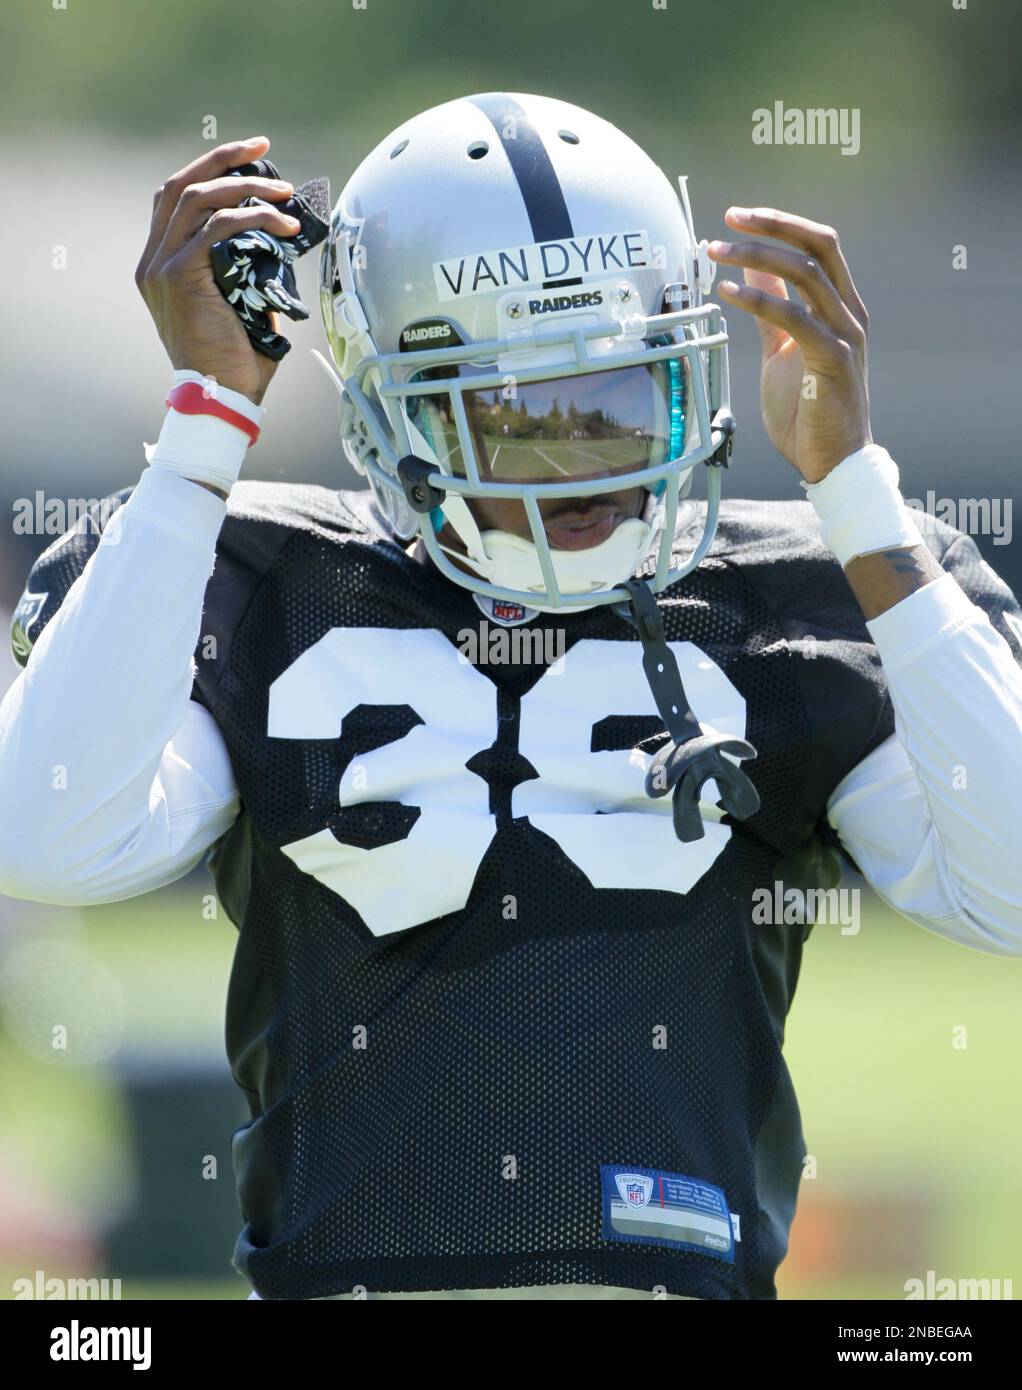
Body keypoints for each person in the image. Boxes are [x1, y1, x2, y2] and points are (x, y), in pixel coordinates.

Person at [1, 93, 1020, 1302]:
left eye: (618, 399)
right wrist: (203, 427)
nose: (583, 464)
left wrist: (854, 490)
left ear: (694, 371)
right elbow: (48, 838)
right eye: (513, 417)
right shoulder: (262, 579)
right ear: (386, 407)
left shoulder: (793, 597)